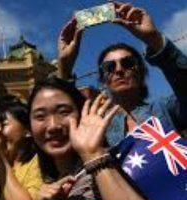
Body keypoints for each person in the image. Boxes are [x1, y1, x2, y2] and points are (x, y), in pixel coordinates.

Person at [57, 2, 187, 148]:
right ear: (103, 78)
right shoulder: (95, 125)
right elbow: (59, 119)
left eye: (128, 63)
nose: (119, 70)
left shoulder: (167, 107)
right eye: (109, 67)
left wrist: (154, 39)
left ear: (141, 72)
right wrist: (64, 67)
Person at [29, 76, 160, 200]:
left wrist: (94, 156)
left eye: (64, 112)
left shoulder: (117, 165)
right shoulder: (48, 188)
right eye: (40, 116)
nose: (53, 125)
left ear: (82, 113)